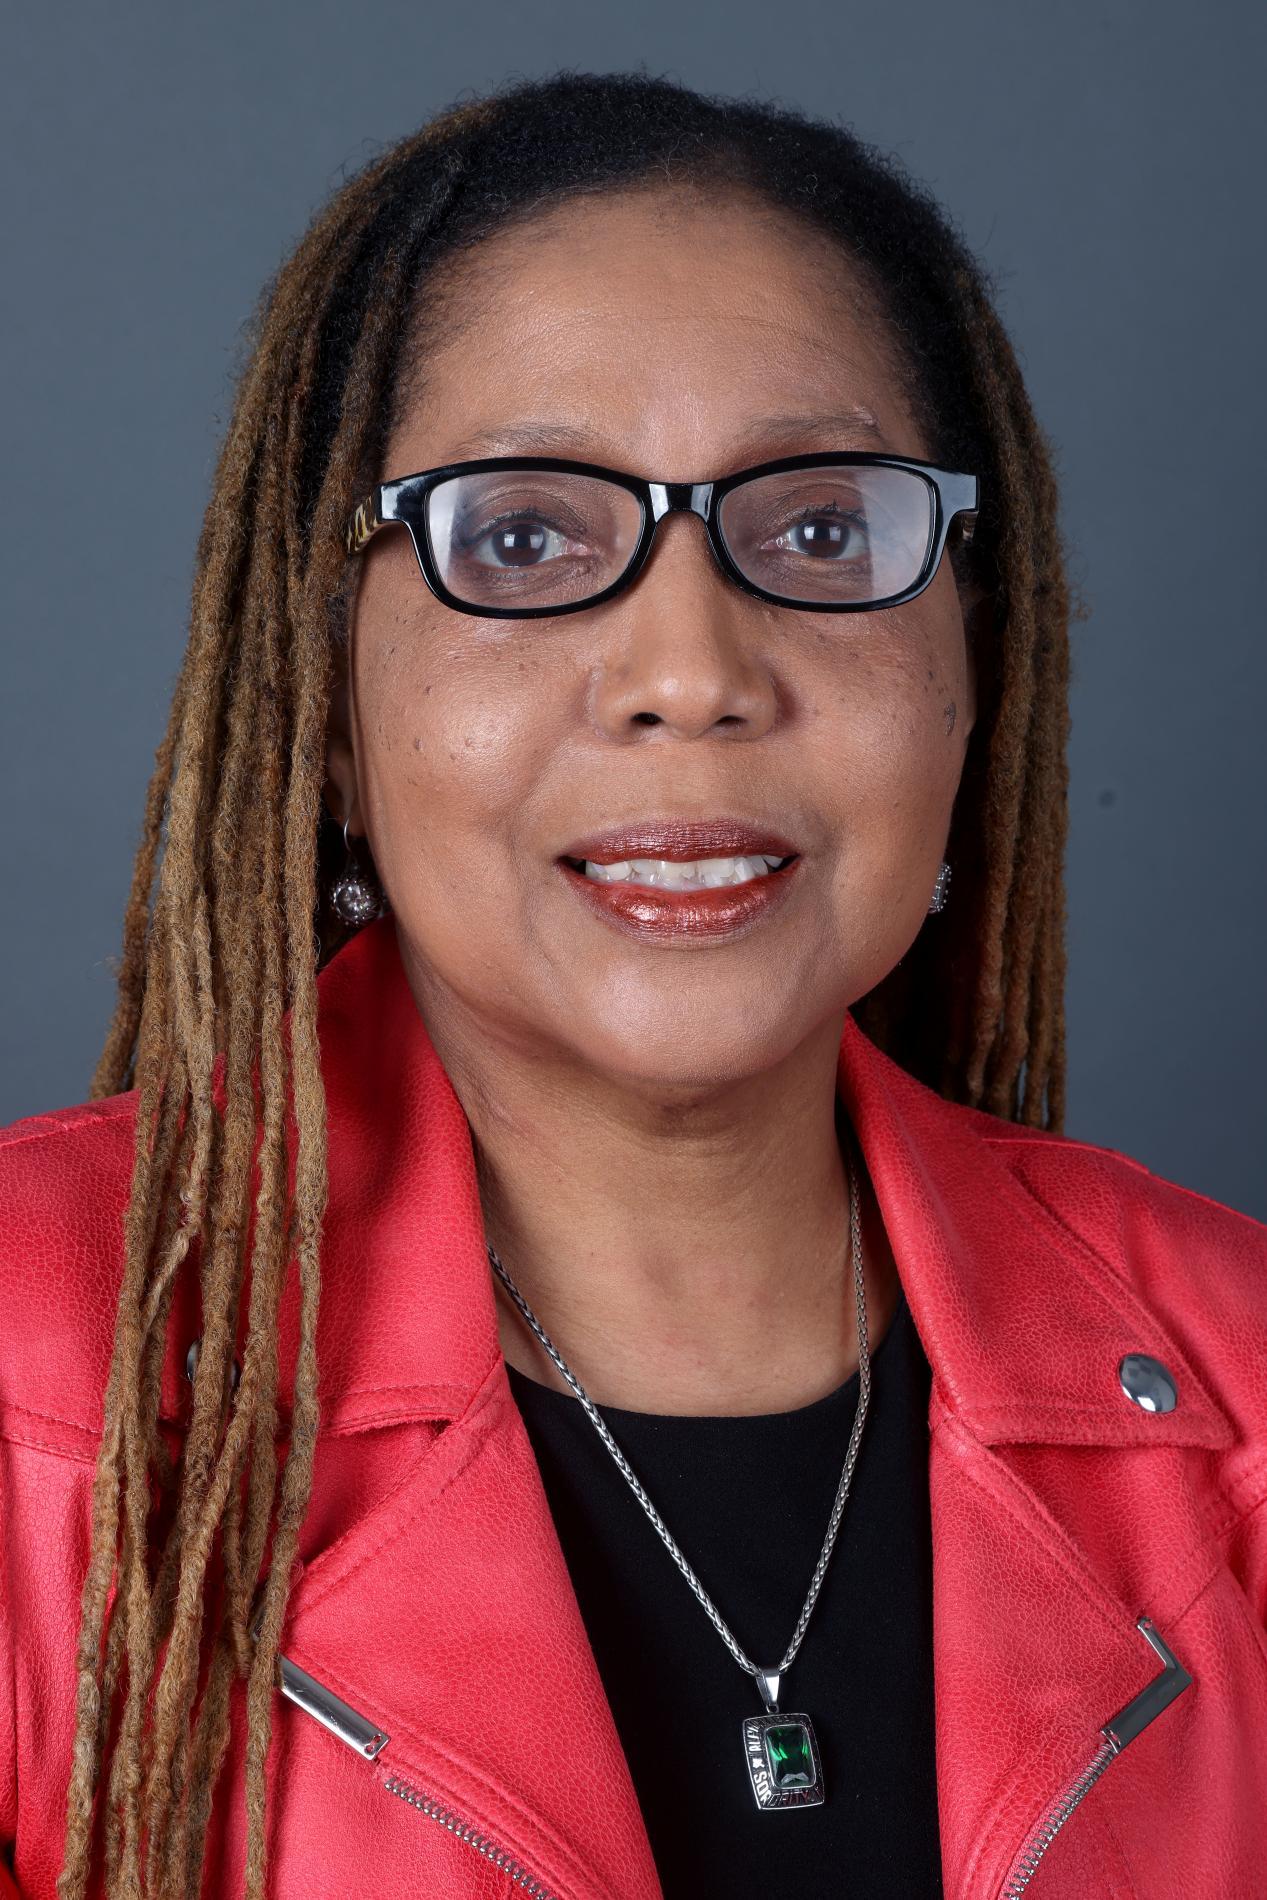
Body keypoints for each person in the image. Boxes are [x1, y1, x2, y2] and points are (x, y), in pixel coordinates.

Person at [0, 68, 1263, 1900]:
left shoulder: (1240, 1390)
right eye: (522, 537)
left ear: (974, 672)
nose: (691, 666)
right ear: (327, 708)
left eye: (822, 528)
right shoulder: (33, 1389)